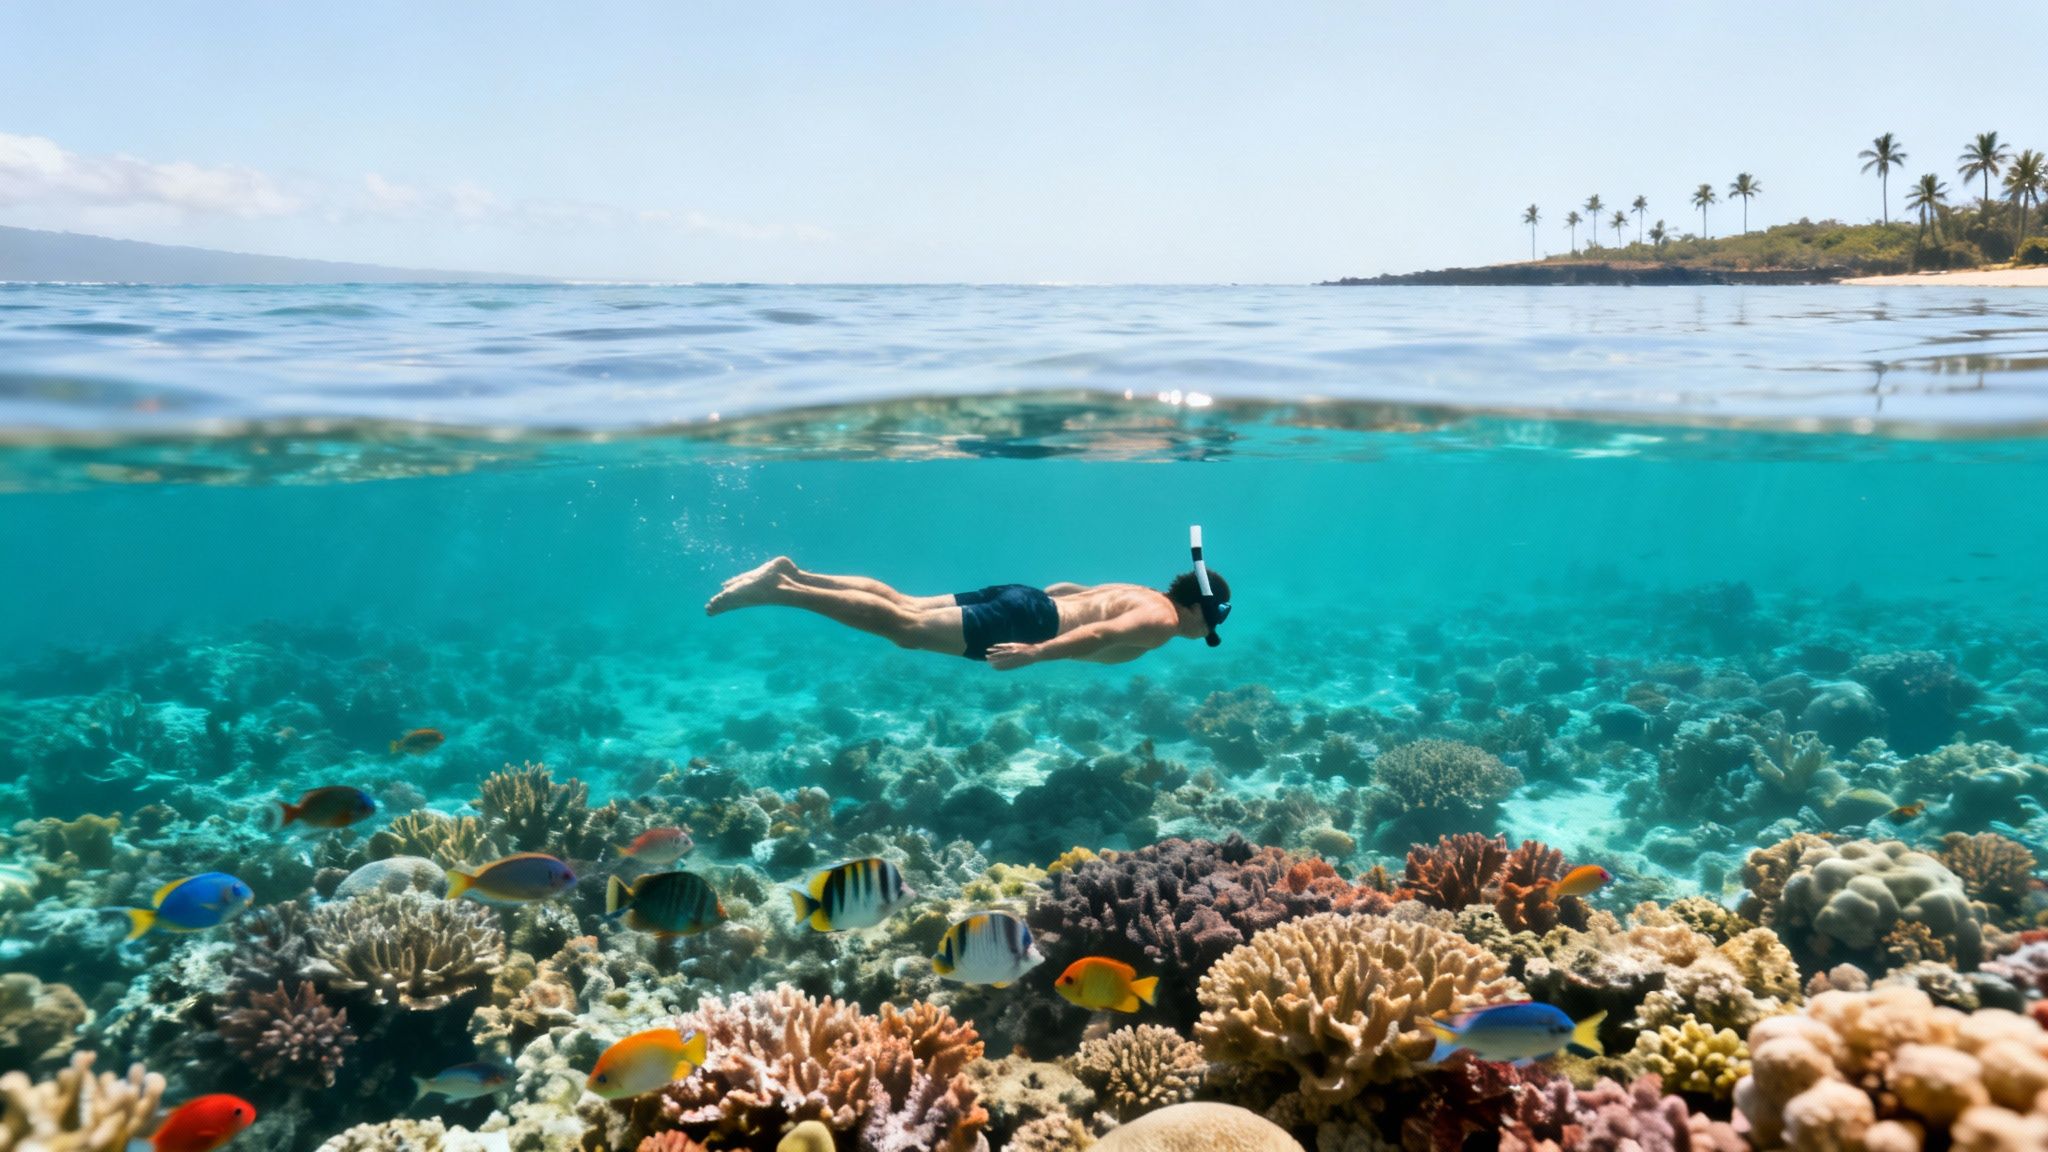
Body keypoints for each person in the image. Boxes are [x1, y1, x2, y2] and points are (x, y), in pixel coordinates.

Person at [705, 556, 1230, 669]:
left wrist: (1027, 606)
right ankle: (782, 591)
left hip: (1026, 597)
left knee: (904, 602)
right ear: (1201, 609)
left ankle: (797, 574)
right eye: (1217, 619)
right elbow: (1098, 634)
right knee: (905, 628)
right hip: (1030, 623)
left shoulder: (1137, 588)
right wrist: (1036, 650)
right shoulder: (1161, 622)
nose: (1213, 630)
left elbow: (1072, 588)